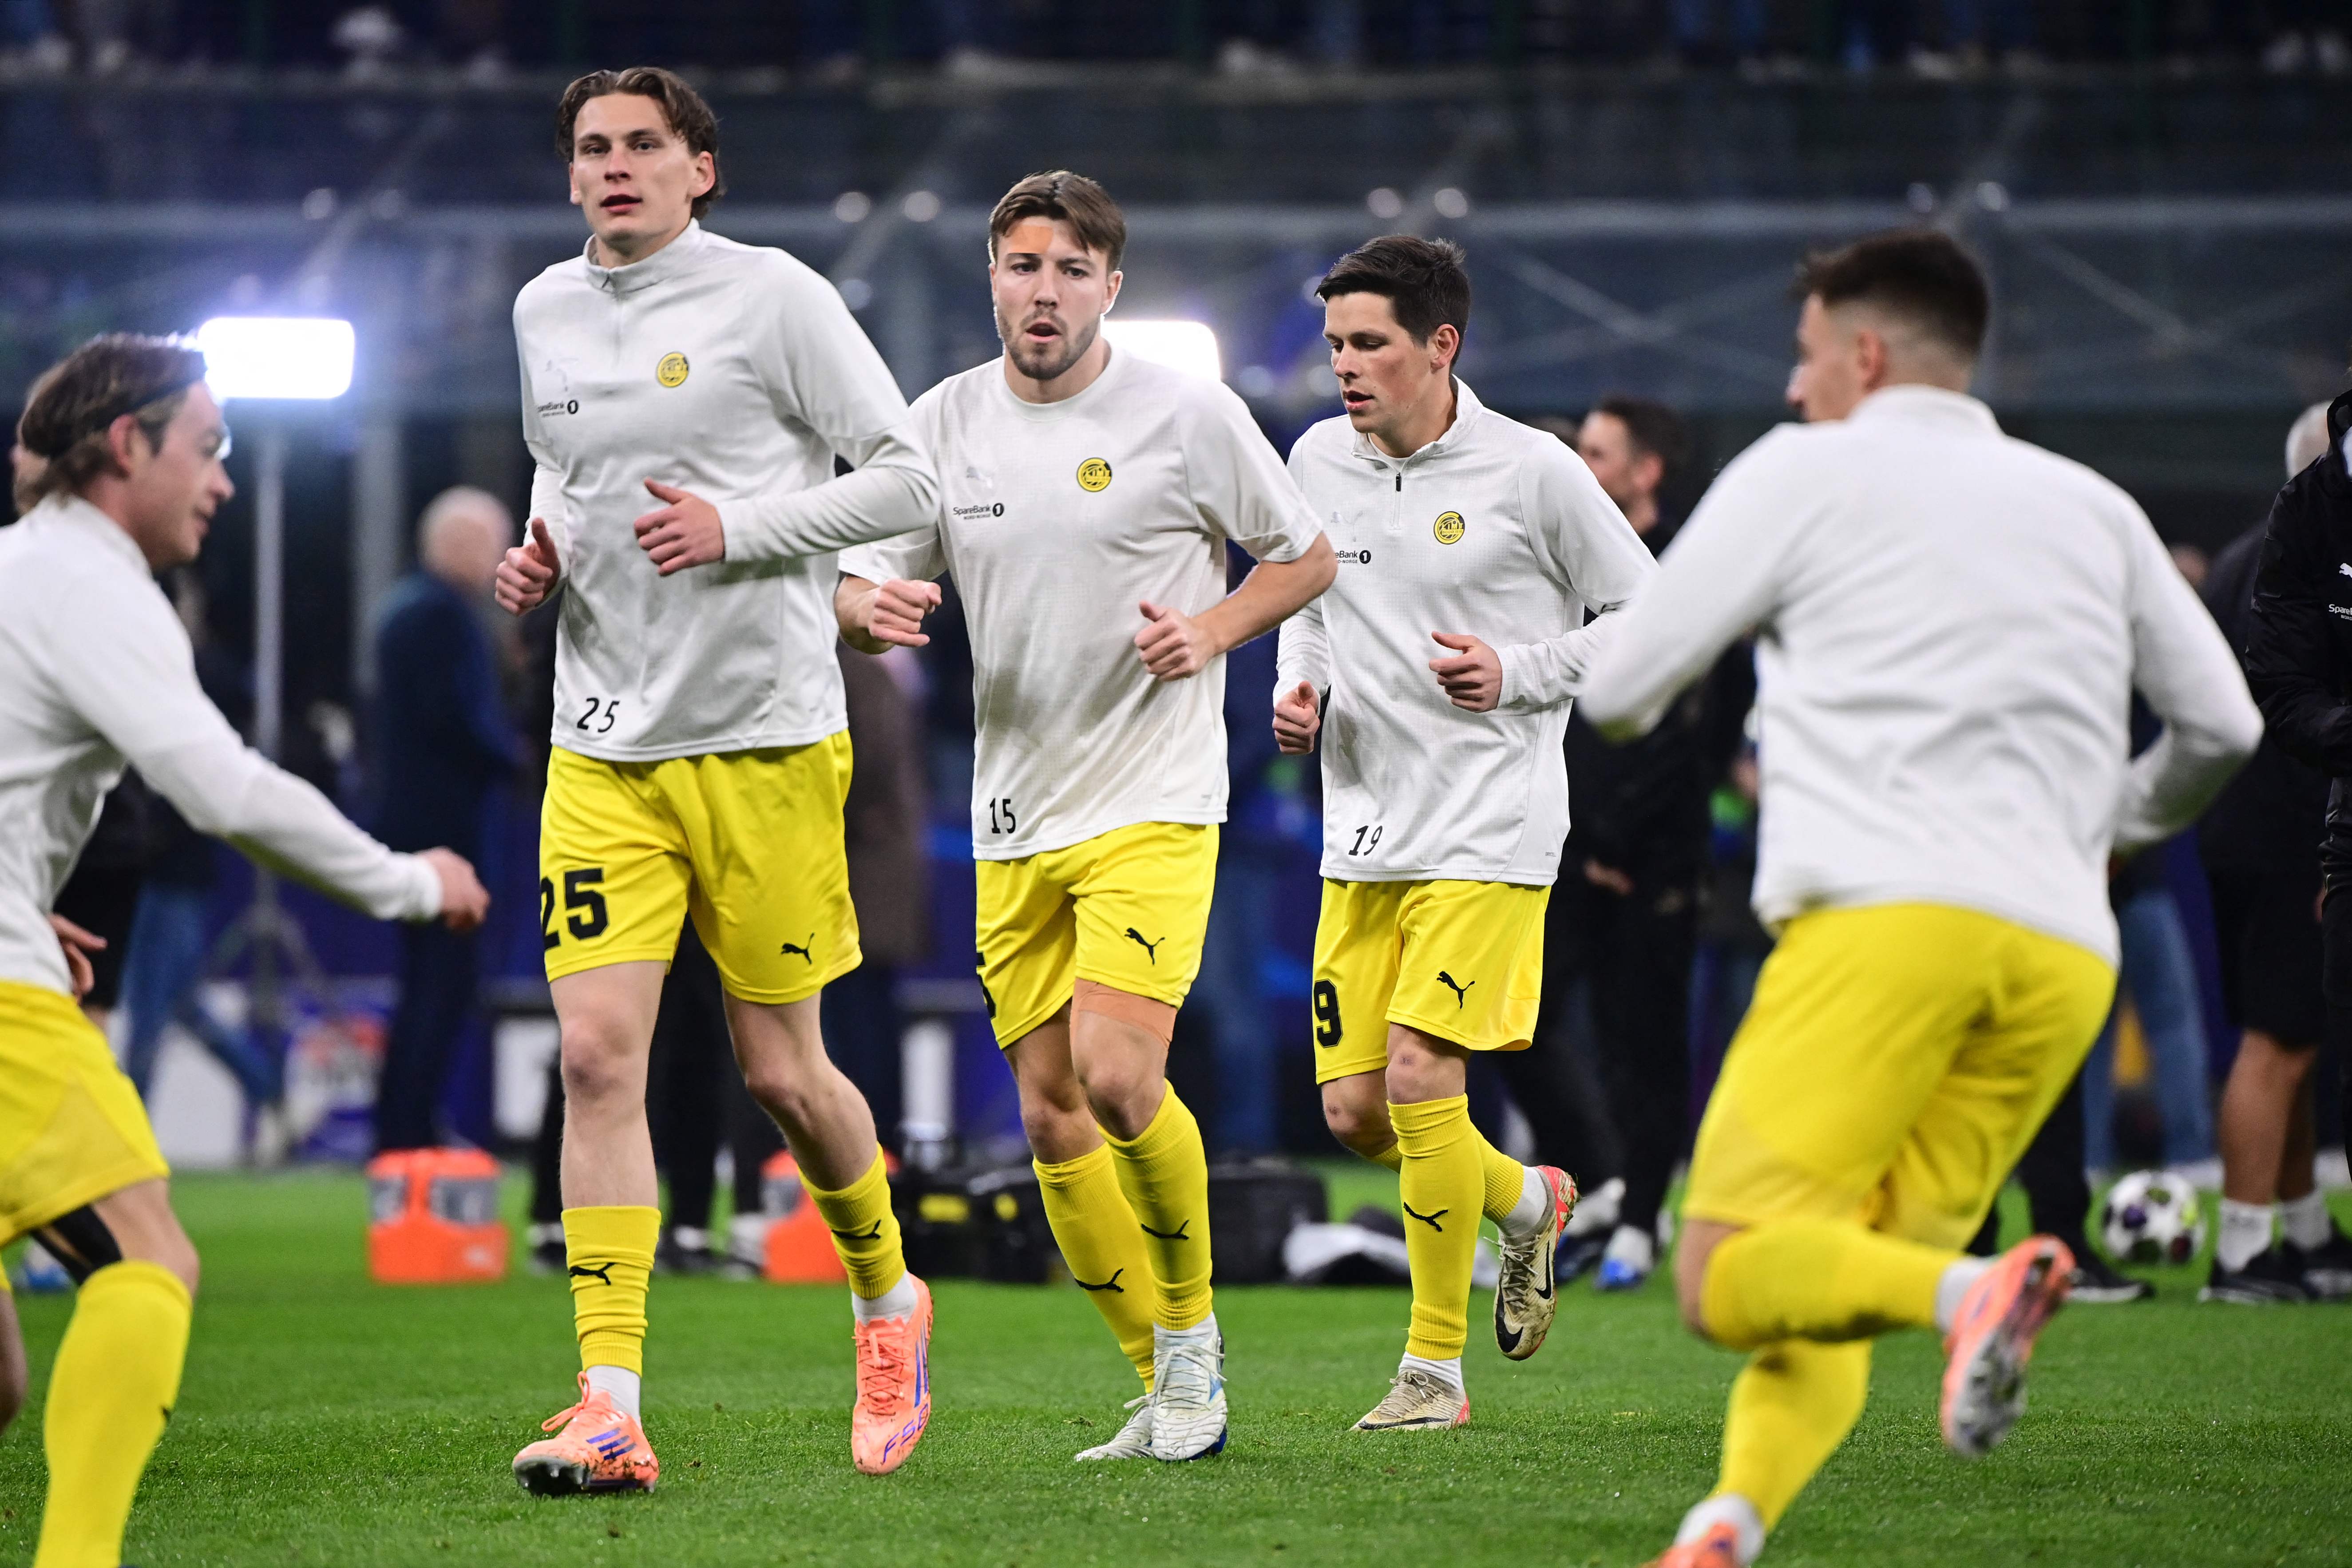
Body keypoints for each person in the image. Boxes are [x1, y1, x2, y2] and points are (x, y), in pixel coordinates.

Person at [1580, 230, 2260, 1568]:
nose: (1791, 386)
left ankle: (1975, 1292)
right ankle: (1729, 1522)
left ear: (1864, 353)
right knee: (1832, 1277)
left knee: (1721, 1275)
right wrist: (2107, 829)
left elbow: (1616, 694)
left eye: (1805, 354)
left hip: (1886, 926)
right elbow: (2224, 726)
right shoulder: (2094, 504)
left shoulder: (1806, 468)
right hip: (2064, 953)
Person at [837, 170, 1334, 1463]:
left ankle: (1193, 1352)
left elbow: (1305, 552)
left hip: (1155, 797)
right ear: (992, 280)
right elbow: (862, 566)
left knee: (1120, 1080)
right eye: (1021, 267)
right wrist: (862, 606)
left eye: (1069, 270)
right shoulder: (942, 421)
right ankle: (1159, 1380)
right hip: (1014, 811)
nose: (1042, 292)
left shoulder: (1183, 411)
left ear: (1109, 284)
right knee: (1051, 1112)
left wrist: (1214, 628)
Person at [492, 65, 943, 1487]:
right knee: (595, 1057)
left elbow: (908, 482)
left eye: (643, 146)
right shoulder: (541, 310)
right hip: (601, 749)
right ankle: (611, 1398)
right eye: (592, 148)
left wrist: (745, 529)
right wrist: (541, 548)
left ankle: (887, 1297)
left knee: (781, 1071)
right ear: (569, 174)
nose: (614, 167)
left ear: (701, 169)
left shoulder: (777, 298)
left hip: (763, 738)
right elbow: (558, 470)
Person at [0, 332, 488, 1568]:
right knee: (147, 1254)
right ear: (129, 447)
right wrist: (406, 881)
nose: (222, 481)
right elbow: (221, 787)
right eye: (207, 450)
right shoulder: (94, 583)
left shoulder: (22, 570)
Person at [1271, 235, 1651, 1430]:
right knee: (1357, 1114)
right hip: (1362, 828)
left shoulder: (1532, 471)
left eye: (1369, 342)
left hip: (1489, 824)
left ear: (1441, 345)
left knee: (1429, 1073)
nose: (1345, 366)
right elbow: (1308, 595)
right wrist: (1300, 682)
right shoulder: (1315, 457)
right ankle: (1528, 1200)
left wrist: (1525, 670)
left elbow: (1652, 613)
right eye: (1335, 344)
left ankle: (1433, 1373)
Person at [1557, 396, 1754, 1292]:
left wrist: (1627, 836)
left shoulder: (1690, 572)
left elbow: (1705, 724)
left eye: (1596, 452)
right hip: (1564, 842)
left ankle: (1639, 1216)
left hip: (1656, 854)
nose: (1578, 465)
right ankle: (1601, 1181)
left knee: (1647, 1039)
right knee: (1518, 1024)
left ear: (1645, 472)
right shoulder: (1555, 555)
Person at [2224, 396, 2352, 1301]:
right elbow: (2272, 705)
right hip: (2286, 830)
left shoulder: (2245, 556)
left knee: (2300, 1035)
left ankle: (2300, 1226)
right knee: (2279, 1040)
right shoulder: (2288, 553)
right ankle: (2239, 1245)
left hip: (2252, 827)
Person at [370, 486, 519, 1152]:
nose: (499, 560)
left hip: (412, 826)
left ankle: (406, 1126)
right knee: (440, 986)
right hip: (445, 834)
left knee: (426, 984)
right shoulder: (442, 617)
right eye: (492, 543)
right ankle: (409, 1131)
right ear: (459, 545)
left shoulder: (407, 609)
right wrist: (521, 761)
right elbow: (456, 721)